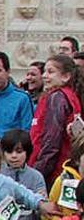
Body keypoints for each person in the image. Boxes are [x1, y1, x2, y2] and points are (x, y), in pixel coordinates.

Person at [31, 54, 84, 186]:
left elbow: (51, 140)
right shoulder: (71, 96)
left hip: (54, 171)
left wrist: (38, 174)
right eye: (44, 71)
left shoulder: (57, 98)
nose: (44, 76)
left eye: (50, 72)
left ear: (65, 76)